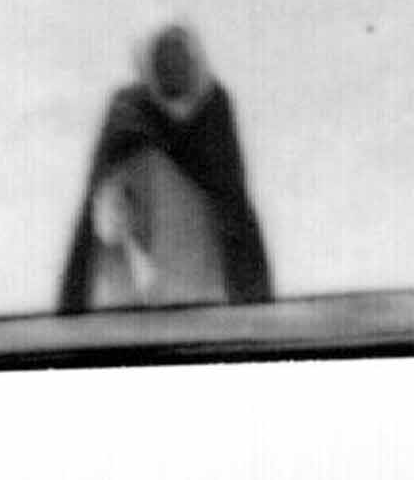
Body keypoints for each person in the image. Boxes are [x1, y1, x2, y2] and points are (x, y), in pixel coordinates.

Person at [55, 21, 273, 313]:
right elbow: (99, 218)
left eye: (179, 57)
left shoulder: (213, 110)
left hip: (202, 292)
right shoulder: (127, 115)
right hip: (132, 300)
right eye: (164, 58)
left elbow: (233, 206)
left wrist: (255, 304)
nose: (172, 68)